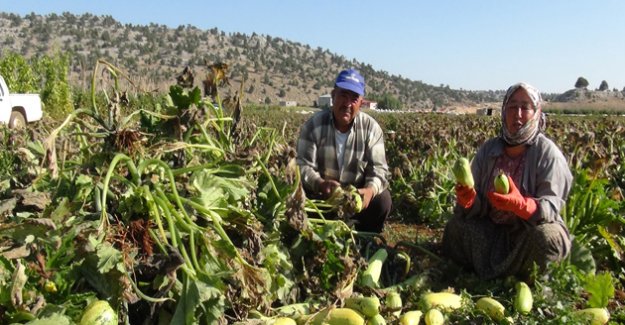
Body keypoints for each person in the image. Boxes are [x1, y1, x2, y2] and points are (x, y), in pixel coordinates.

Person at [442, 82, 572, 280]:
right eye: (512, 106)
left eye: (525, 107)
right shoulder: (489, 149)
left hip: (527, 235)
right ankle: (507, 274)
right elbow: (478, 207)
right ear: (504, 110)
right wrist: (468, 200)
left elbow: (551, 208)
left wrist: (522, 205)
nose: (517, 114)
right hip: (492, 233)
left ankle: (513, 275)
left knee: (548, 239)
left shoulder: (547, 154)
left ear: (536, 112)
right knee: (455, 227)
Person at [296, 68, 391, 233]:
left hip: (355, 204)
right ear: (333, 96)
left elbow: (379, 170)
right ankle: (311, 233)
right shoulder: (314, 125)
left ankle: (364, 236)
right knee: (296, 195)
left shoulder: (371, 129)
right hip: (321, 202)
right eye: (343, 95)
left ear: (361, 103)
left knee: (382, 200)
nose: (347, 103)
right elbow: (302, 165)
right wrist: (319, 183)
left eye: (354, 98)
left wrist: (369, 190)